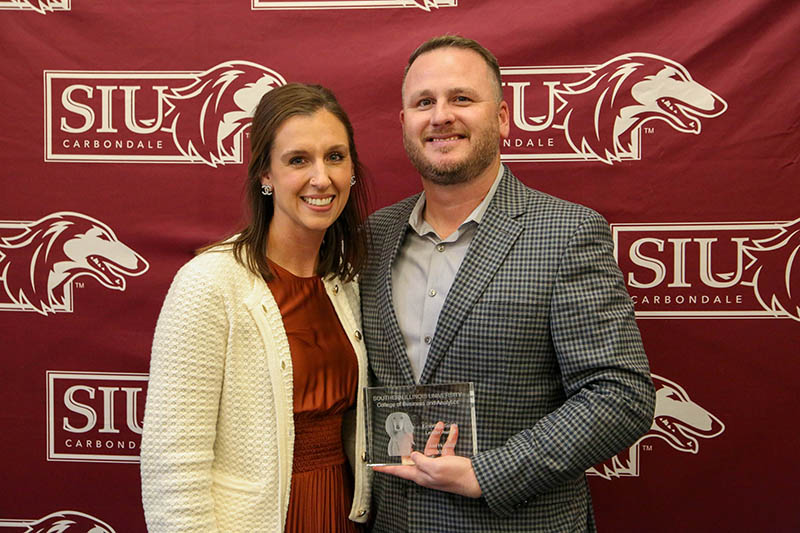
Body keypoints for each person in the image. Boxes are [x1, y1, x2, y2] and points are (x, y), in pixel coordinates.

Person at [361, 35, 656, 532]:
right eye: (423, 103)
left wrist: (487, 473)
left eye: (461, 98)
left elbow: (620, 395)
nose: (440, 116)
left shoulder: (566, 233)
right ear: (404, 124)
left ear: (501, 117)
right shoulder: (373, 238)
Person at [140, 83, 371, 532]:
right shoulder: (209, 283)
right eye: (298, 160)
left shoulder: (348, 284)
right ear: (265, 174)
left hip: (341, 512)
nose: (321, 178)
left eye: (335, 157)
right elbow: (173, 461)